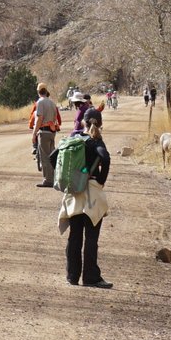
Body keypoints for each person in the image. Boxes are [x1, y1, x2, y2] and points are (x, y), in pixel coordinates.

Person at [55, 112, 113, 288]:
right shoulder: (96, 141)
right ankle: (91, 277)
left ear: (83, 122)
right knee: (91, 238)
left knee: (75, 237)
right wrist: (101, 180)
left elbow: (53, 157)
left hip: (74, 192)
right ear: (100, 124)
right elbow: (105, 158)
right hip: (92, 195)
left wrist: (71, 178)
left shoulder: (74, 139)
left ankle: (72, 276)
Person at [28, 89, 61, 187]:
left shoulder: (40, 102)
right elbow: (55, 118)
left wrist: (34, 133)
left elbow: (39, 118)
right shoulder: (52, 103)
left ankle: (48, 180)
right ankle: (54, 177)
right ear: (46, 93)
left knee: (45, 157)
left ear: (39, 93)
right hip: (51, 132)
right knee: (52, 155)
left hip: (44, 132)